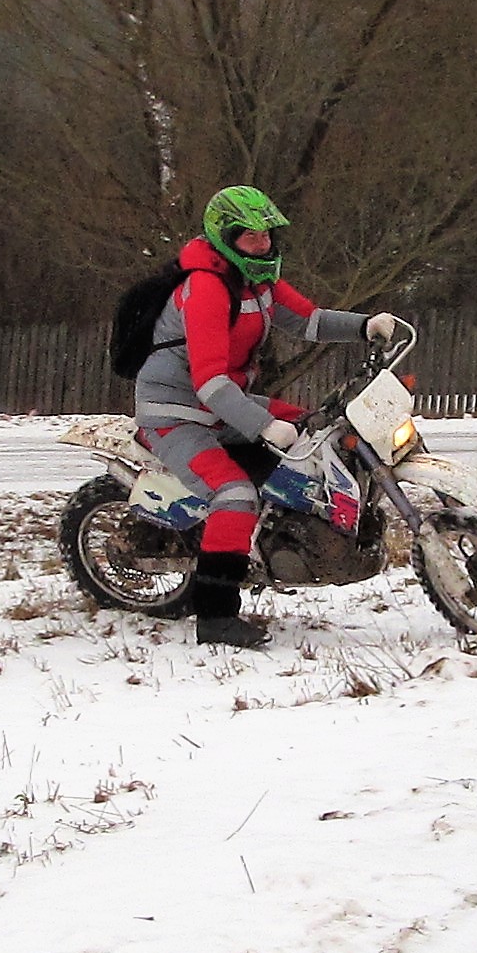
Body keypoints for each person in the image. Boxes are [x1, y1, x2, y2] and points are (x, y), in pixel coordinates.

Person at [131, 185, 401, 648]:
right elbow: (210, 382)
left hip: (221, 402)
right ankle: (215, 617)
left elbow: (310, 320)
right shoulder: (208, 289)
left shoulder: (256, 283)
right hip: (177, 413)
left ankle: (287, 532)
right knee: (234, 495)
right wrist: (260, 423)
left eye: (267, 236)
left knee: (315, 424)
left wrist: (363, 325)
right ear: (224, 238)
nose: (261, 245)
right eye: (249, 237)